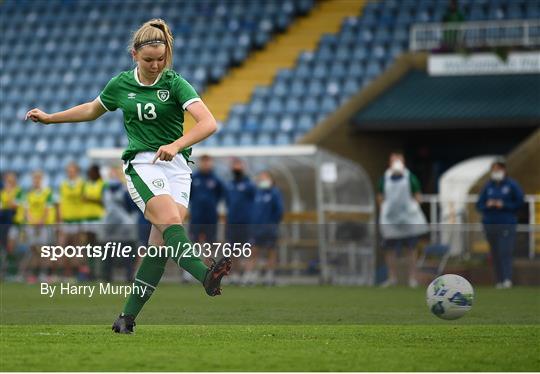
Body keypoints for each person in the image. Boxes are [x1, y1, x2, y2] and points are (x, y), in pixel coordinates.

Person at [25, 18, 231, 334]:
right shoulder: (120, 84)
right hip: (142, 165)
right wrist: (51, 118)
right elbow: (92, 110)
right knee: (169, 222)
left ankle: (126, 318)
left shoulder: (175, 83)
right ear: (134, 55)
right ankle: (204, 274)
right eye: (149, 59)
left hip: (177, 166)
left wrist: (176, 145)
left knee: (160, 245)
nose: (155, 65)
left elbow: (208, 123)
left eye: (161, 59)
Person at [378, 153, 428, 288]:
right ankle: (392, 278)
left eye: (399, 160)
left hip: (407, 219)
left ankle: (412, 278)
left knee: (411, 248)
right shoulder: (384, 178)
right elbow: (380, 197)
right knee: (390, 250)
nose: (396, 163)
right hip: (390, 219)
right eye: (394, 160)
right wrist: (387, 210)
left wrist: (411, 209)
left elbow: (418, 196)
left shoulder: (410, 177)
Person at [476, 158, 524, 289]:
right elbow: (479, 204)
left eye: (498, 169)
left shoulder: (512, 185)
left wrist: (504, 205)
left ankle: (507, 279)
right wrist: (488, 205)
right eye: (494, 169)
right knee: (495, 253)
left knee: (505, 251)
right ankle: (499, 280)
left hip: (506, 223)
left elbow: (520, 202)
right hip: (490, 224)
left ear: (504, 170)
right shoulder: (488, 186)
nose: (496, 172)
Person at [245, 171, 284, 286]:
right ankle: (250, 275)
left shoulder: (275, 193)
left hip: (270, 229)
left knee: (271, 252)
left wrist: (272, 224)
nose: (262, 180)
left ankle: (269, 275)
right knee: (253, 252)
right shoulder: (257, 193)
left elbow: (279, 211)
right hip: (256, 229)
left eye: (265, 177)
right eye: (261, 178)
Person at [225, 158, 256, 283]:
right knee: (234, 250)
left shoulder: (249, 185)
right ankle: (236, 274)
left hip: (247, 222)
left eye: (239, 165)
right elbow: (228, 202)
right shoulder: (229, 185)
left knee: (248, 249)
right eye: (234, 165)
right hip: (232, 222)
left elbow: (255, 201)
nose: (236, 168)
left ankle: (248, 273)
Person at [21, 170, 53, 283]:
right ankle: (30, 273)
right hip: (31, 226)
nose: (36, 181)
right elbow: (26, 210)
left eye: (38, 179)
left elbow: (47, 209)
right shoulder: (28, 194)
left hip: (42, 225)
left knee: (43, 250)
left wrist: (41, 221)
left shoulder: (47, 193)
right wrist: (32, 221)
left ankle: (43, 273)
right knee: (33, 250)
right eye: (35, 179)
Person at [189, 154, 224, 244]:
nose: (206, 164)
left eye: (208, 161)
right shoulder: (193, 178)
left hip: (211, 216)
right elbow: (189, 194)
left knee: (211, 241)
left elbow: (220, 194)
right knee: (194, 241)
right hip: (196, 215)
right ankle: (195, 258)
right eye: (203, 162)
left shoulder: (216, 179)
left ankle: (209, 258)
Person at [81, 164, 106, 280]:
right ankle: (90, 272)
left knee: (99, 246)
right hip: (87, 218)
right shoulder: (86, 184)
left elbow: (104, 201)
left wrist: (90, 199)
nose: (89, 174)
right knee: (89, 247)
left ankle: (99, 272)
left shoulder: (102, 184)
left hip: (98, 218)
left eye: (91, 172)